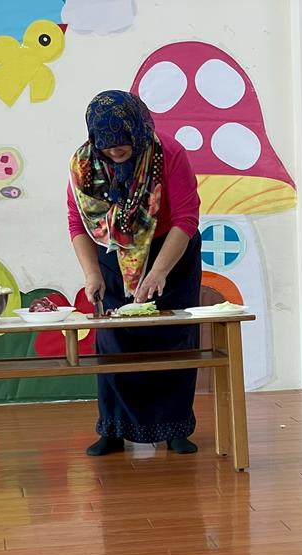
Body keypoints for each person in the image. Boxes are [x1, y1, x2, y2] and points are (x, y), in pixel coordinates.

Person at [67, 90, 203, 456]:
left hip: (170, 250)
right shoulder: (84, 165)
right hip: (114, 253)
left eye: (122, 143)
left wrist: (159, 271)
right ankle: (113, 429)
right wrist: (92, 274)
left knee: (173, 338)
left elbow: (186, 218)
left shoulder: (168, 153)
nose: (115, 151)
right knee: (114, 342)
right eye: (107, 145)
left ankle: (175, 427)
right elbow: (77, 223)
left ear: (138, 130)